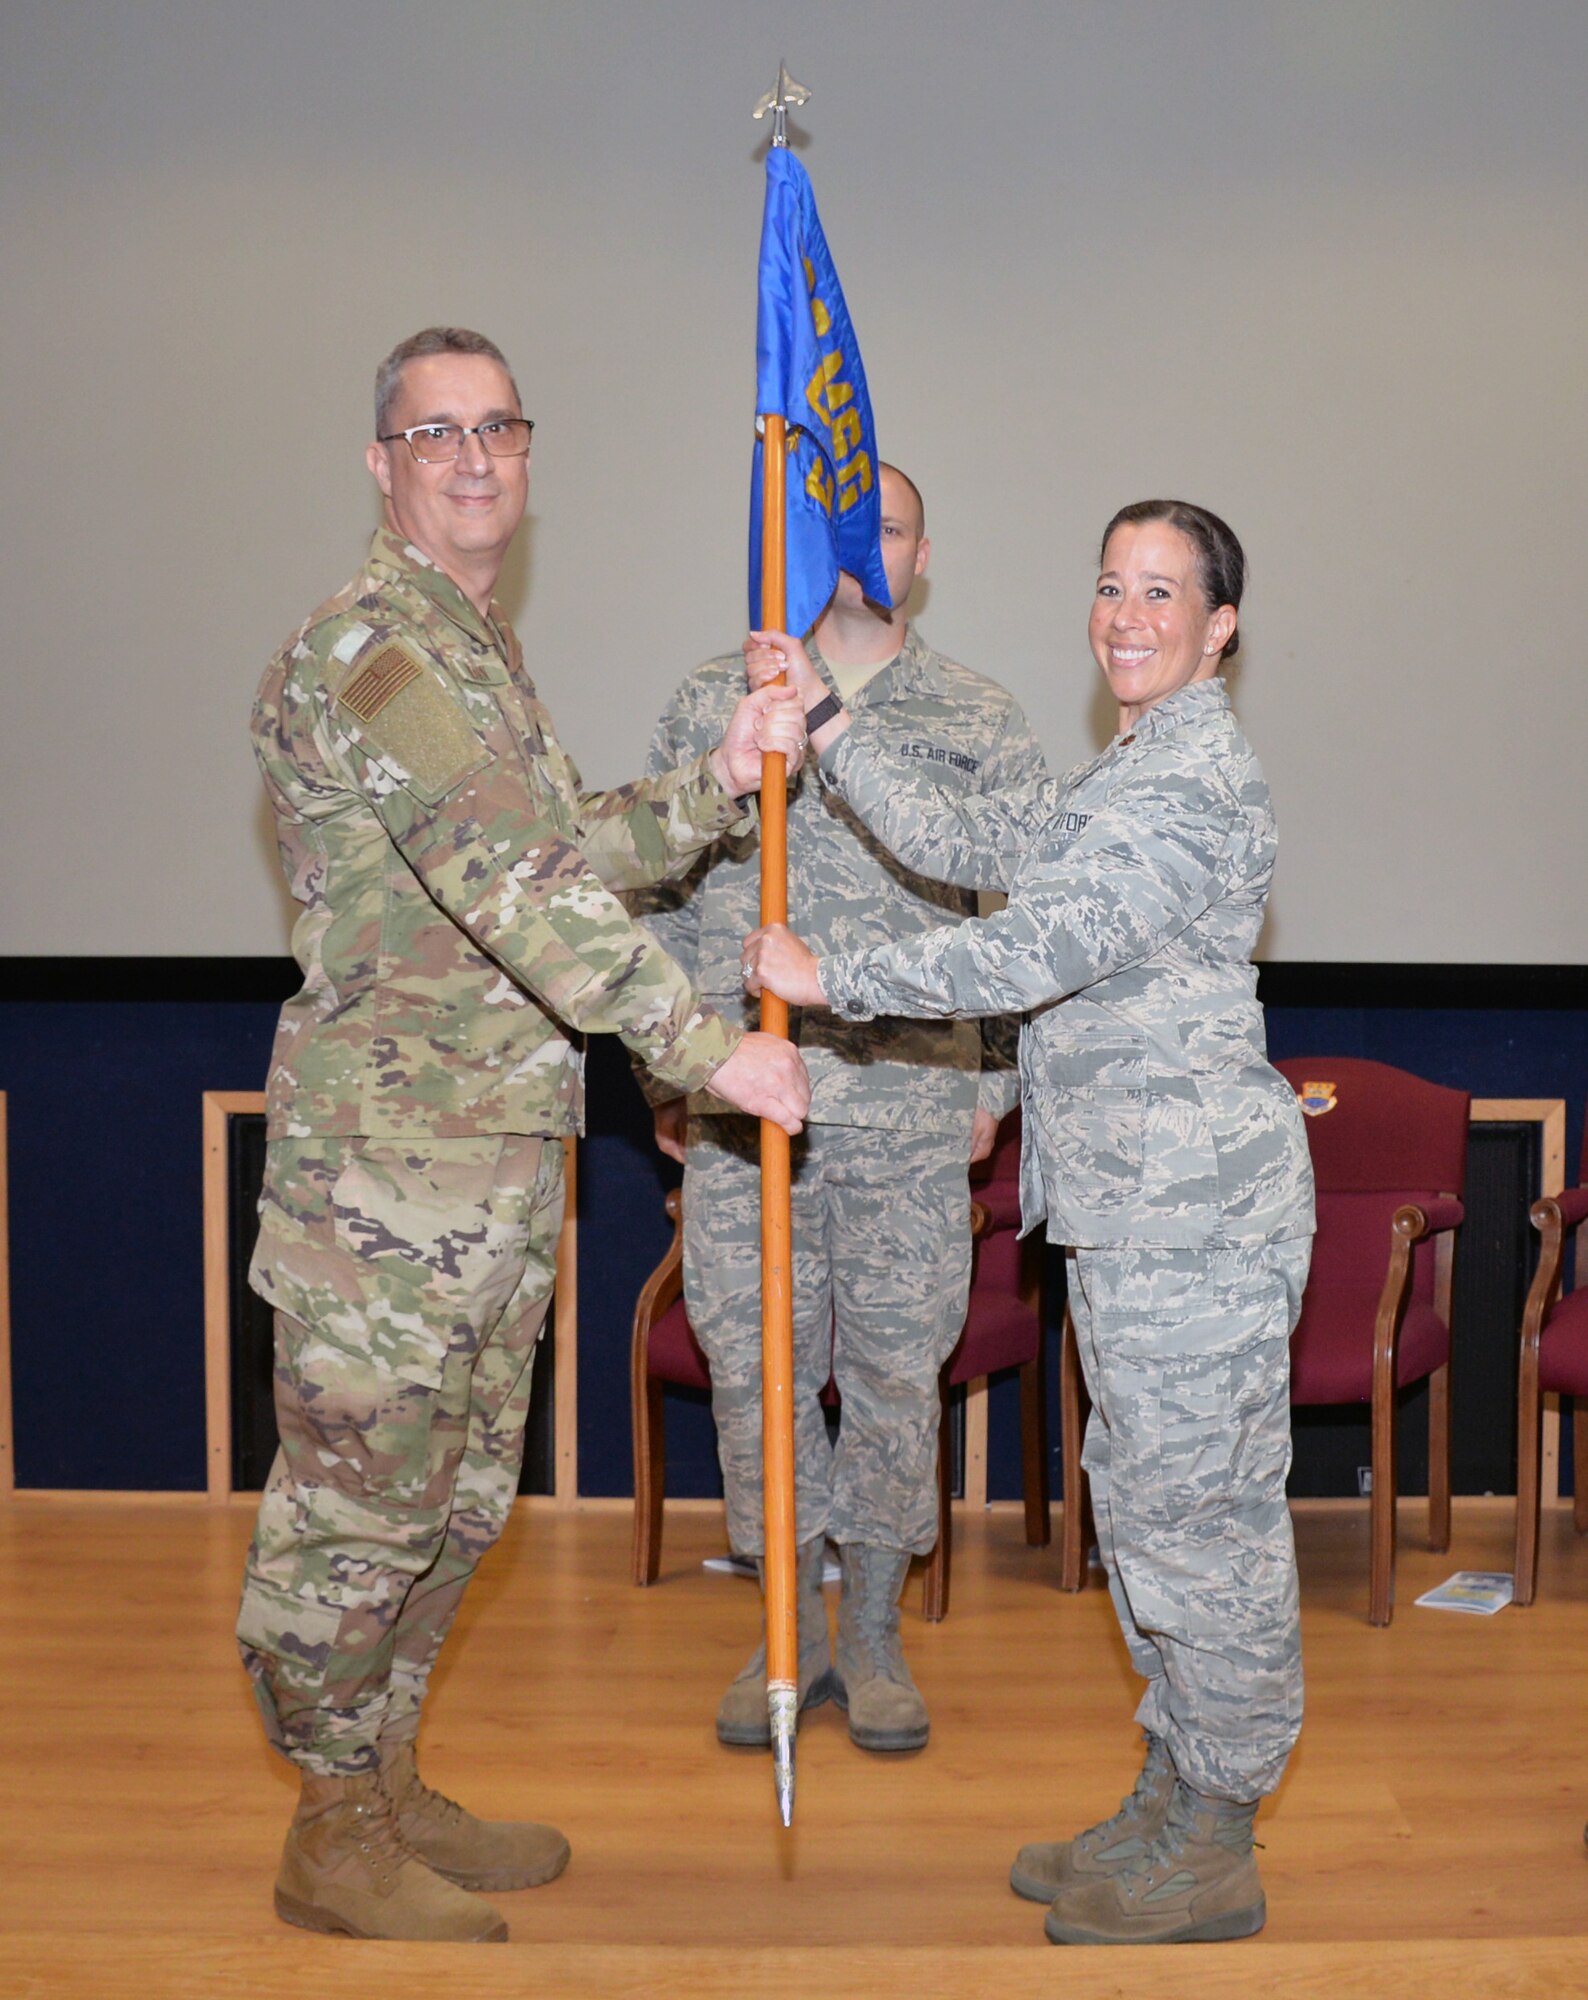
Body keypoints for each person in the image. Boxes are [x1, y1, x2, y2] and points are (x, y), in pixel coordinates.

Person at [238, 326, 811, 1944]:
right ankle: (329, 1825)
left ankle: (386, 1776)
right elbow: (520, 892)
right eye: (437, 433)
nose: (475, 457)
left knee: (455, 1503)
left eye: (499, 427)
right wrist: (715, 1057)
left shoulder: (472, 653)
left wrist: (714, 778)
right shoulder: (375, 658)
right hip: (385, 1190)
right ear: (383, 464)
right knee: (357, 1520)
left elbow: (562, 846)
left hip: (486, 1173)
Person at [740, 499, 1315, 1946]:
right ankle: (1176, 1786)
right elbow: (970, 829)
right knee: (1148, 1515)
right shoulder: (1123, 776)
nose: (1125, 616)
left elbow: (1034, 944)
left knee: (1206, 1530)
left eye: (1161, 593)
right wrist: (826, 723)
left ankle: (1221, 1833)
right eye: (1110, 585)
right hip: (1135, 1219)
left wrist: (834, 979)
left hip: (1194, 1228)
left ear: (1219, 626)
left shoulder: (1194, 786)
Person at [630, 465, 1046, 1753]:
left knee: (890, 1373)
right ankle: (784, 1629)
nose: (870, 550)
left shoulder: (979, 714)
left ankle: (868, 1627)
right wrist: (674, 1070)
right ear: (799, 551)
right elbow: (659, 889)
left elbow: (1022, 913)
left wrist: (994, 1081)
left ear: (927, 553)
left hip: (913, 1106)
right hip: (747, 1111)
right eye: (843, 530)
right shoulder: (718, 698)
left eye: (894, 528)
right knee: (757, 1371)